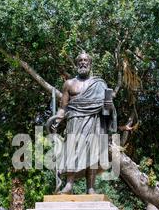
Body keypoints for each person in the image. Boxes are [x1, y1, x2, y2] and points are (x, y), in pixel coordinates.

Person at [49, 52, 116, 194]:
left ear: (90, 64)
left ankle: (90, 187)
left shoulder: (99, 84)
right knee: (71, 152)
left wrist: (109, 107)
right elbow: (63, 108)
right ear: (76, 64)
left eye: (86, 60)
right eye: (80, 60)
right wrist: (56, 120)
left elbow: (106, 108)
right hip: (74, 121)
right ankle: (68, 186)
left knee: (93, 153)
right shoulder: (69, 84)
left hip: (93, 120)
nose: (83, 62)